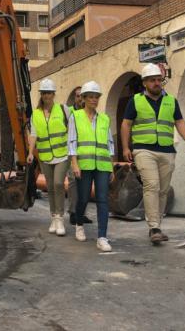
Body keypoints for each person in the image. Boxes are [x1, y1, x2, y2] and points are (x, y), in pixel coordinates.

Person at [120, 63, 185, 244]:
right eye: (152, 80)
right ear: (145, 82)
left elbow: (179, 122)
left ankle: (157, 226)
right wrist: (125, 148)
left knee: (162, 190)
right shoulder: (135, 101)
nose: (156, 83)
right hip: (144, 149)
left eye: (159, 80)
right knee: (151, 185)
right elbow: (126, 124)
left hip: (167, 150)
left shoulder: (171, 101)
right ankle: (154, 226)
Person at [69, 81, 114, 251]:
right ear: (84, 98)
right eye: (91, 97)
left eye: (97, 97)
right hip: (84, 164)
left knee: (103, 199)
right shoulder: (76, 116)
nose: (94, 100)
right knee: (83, 198)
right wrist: (74, 163)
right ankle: (79, 224)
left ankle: (102, 237)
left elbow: (109, 143)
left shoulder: (104, 118)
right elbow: (72, 141)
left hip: (102, 164)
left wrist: (111, 166)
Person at [27, 79, 70, 236]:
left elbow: (71, 130)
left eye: (49, 93)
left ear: (53, 94)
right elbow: (33, 134)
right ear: (41, 95)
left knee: (59, 184)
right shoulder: (36, 114)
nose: (46, 95)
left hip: (62, 154)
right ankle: (53, 217)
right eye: (44, 93)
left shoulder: (63, 109)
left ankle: (60, 218)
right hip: (45, 156)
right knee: (50, 187)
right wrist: (31, 152)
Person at [67, 85, 91, 226]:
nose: (80, 98)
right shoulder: (69, 112)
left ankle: (82, 213)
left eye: (82, 95)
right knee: (73, 182)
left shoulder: (90, 112)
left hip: (87, 152)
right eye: (77, 96)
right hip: (73, 152)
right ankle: (73, 213)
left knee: (86, 183)